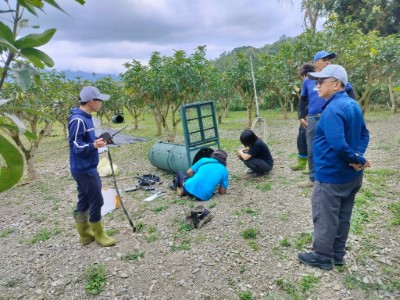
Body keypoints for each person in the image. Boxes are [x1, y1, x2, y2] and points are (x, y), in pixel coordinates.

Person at [297, 65, 370, 270]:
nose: (316, 85)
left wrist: (355, 158)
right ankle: (338, 254)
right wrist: (358, 158)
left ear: (336, 84)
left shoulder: (332, 110)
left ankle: (322, 256)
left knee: (325, 216)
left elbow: (338, 145)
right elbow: (365, 134)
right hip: (351, 176)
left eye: (321, 81)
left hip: (331, 176)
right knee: (343, 216)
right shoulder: (353, 105)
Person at [298, 51, 356, 188]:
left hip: (332, 117)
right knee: (312, 148)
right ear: (316, 62)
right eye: (324, 59)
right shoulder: (308, 80)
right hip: (313, 118)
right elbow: (303, 99)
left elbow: (350, 92)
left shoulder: (335, 78)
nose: (327, 62)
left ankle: (338, 175)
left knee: (336, 145)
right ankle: (312, 178)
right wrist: (300, 116)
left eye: (329, 60)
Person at [68, 86, 116, 247]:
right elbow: (75, 145)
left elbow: (85, 139)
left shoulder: (86, 117)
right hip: (84, 169)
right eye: (99, 100)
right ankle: (99, 233)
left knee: (84, 199)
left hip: (84, 167)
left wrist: (97, 141)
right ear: (91, 102)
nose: (101, 103)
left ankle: (84, 234)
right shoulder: (78, 120)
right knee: (97, 200)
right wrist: (92, 146)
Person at [290, 63, 314, 171]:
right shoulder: (306, 84)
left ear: (304, 75)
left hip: (312, 117)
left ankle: (311, 167)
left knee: (311, 141)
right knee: (301, 140)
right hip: (304, 118)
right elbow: (303, 101)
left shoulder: (318, 84)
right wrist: (301, 116)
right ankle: (302, 163)